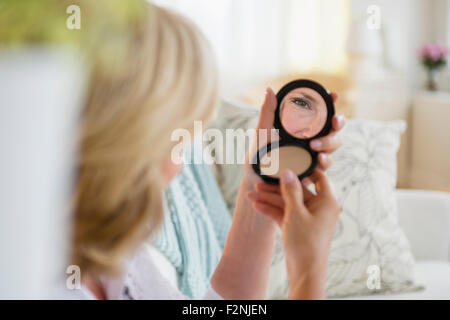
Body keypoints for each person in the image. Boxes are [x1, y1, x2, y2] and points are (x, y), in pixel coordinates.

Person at [70, 2, 345, 300]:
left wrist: (264, 183)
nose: (179, 167)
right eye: (180, 140)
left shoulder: (115, 257)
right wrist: (309, 270)